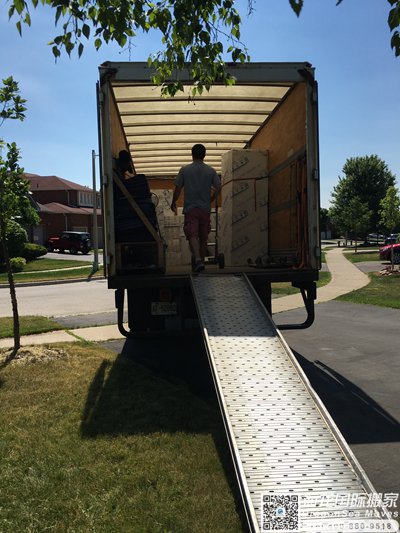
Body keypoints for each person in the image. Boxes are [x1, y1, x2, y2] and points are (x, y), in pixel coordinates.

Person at [171, 144, 221, 272]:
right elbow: (218, 186)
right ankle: (201, 262)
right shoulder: (211, 171)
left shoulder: (185, 170)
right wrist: (212, 198)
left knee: (192, 234)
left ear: (192, 154)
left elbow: (178, 188)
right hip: (205, 209)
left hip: (191, 208)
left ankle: (197, 259)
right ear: (204, 155)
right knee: (203, 236)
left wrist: (173, 201)